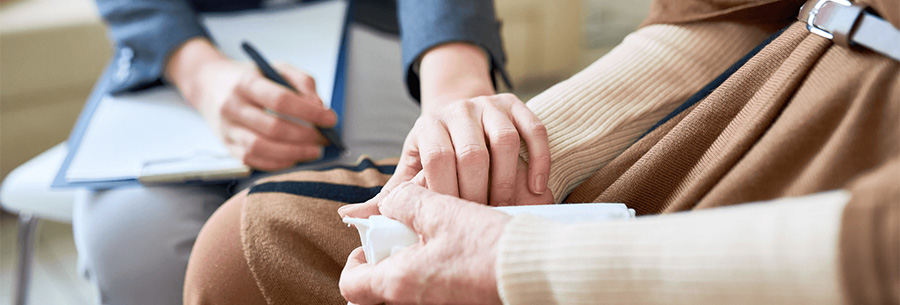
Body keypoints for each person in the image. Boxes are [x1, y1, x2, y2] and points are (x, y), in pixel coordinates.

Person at [185, 0, 899, 304]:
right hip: (758, 96)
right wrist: (512, 148)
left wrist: (526, 264)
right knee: (245, 248)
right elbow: (727, 16)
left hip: (849, 226)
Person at [74, 0, 552, 303]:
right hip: (184, 41)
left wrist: (455, 80)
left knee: (355, 236)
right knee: (128, 245)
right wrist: (200, 74)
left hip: (384, 22)